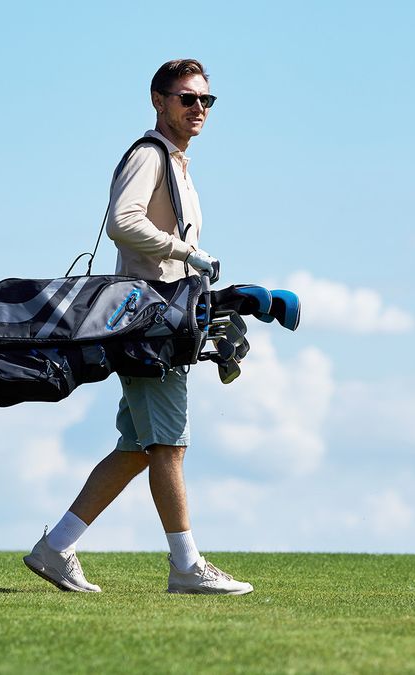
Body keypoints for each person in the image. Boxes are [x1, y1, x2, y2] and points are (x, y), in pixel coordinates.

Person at [23, 59, 253, 595]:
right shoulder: (149, 156)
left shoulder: (177, 163)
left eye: (205, 101)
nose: (198, 109)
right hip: (149, 321)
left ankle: (55, 547)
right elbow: (122, 223)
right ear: (159, 100)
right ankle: (186, 566)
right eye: (186, 98)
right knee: (169, 446)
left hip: (156, 318)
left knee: (137, 447)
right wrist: (187, 253)